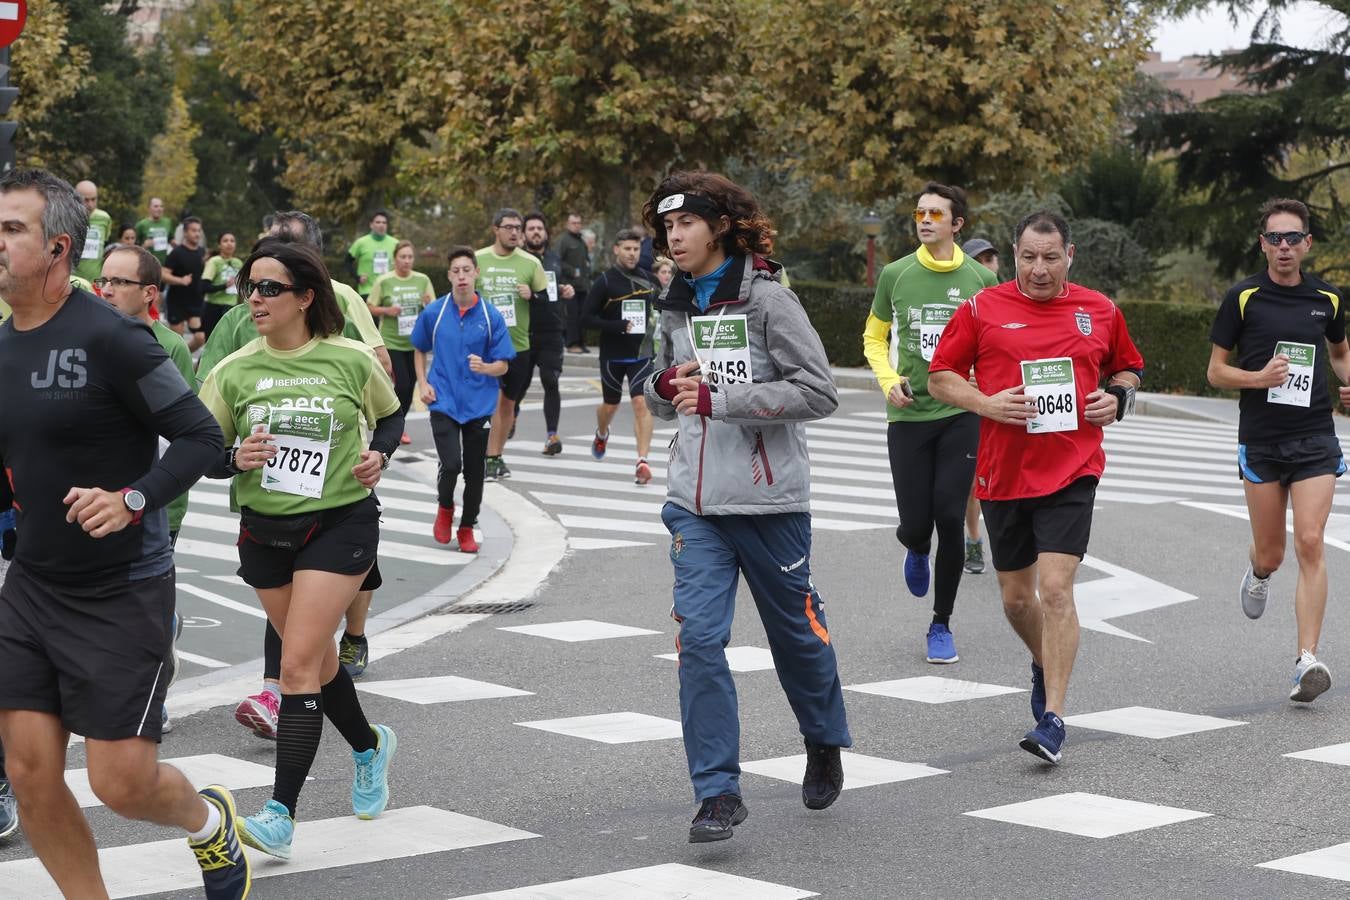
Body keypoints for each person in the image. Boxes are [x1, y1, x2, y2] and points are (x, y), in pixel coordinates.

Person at [0, 167, 246, 898]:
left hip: (122, 590)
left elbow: (204, 440)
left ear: (58, 248)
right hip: (34, 586)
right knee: (30, 771)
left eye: (12, 229)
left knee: (120, 782)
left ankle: (208, 822)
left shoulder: (115, 340)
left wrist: (133, 498)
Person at [643, 171, 851, 843]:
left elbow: (818, 391)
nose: (674, 237)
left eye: (687, 225)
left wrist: (723, 401)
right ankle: (717, 792)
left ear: (721, 227)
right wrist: (662, 383)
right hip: (695, 508)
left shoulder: (768, 302)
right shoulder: (673, 302)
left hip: (770, 505)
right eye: (667, 227)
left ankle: (822, 739)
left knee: (796, 639)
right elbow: (659, 383)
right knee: (699, 641)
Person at [198, 238, 402, 859]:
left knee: (294, 667)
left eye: (269, 288)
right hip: (265, 532)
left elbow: (390, 416)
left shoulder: (346, 359)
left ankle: (281, 814)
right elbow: (203, 452)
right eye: (249, 288)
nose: (254, 299)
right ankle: (369, 747)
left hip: (340, 525)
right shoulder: (233, 370)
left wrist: (379, 454)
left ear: (305, 297)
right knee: (315, 662)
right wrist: (234, 457)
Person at [928, 210, 1144, 765]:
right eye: (1029, 256)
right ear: (1015, 254)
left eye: (1051, 257)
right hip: (1004, 473)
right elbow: (940, 375)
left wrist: (1117, 400)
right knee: (1017, 599)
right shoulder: (982, 308)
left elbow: (1127, 369)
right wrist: (985, 402)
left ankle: (1053, 717)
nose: (1040, 268)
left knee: (1054, 590)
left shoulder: (1099, 310)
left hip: (1073, 467)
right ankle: (1044, 660)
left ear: (1069, 255)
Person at [1207, 198, 1349, 703]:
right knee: (1274, 550)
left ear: (1308, 243)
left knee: (1311, 540)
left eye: (1293, 238)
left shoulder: (1327, 299)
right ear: (1263, 243)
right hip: (1262, 440)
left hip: (1314, 436)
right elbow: (1215, 370)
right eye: (1274, 238)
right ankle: (1260, 570)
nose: (1284, 247)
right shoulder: (1243, 297)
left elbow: (1338, 352)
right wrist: (1257, 377)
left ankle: (1306, 660)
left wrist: (1349, 381)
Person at [862, 184, 998, 664]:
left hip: (961, 412)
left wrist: (987, 397)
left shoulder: (982, 279)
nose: (924, 219)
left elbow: (996, 346)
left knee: (949, 514)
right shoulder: (897, 274)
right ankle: (915, 547)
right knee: (917, 523)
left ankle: (941, 623)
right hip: (908, 413)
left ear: (957, 223)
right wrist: (886, 380)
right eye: (920, 212)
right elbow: (874, 338)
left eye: (935, 213)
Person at [97, 245, 195, 731]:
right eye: (104, 281)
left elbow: (191, 433)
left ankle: (152, 697)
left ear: (150, 293)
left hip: (156, 502)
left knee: (145, 612)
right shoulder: (89, 338)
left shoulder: (170, 347)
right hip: (99, 500)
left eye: (120, 283)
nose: (108, 290)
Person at [414, 246, 515, 553]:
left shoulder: (490, 315)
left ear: (476, 273)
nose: (461, 276)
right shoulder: (435, 312)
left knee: (474, 471)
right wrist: (422, 383)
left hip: (479, 403)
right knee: (451, 463)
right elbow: (419, 348)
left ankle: (467, 526)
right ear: (449, 276)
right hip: (442, 398)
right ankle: (445, 509)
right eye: (456, 271)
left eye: (466, 270)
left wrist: (486, 367)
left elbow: (504, 363)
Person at [477, 208, 549, 481]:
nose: (514, 232)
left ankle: (495, 456)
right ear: (496, 229)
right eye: (508, 227)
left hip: (517, 345)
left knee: (507, 405)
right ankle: (482, 454)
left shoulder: (530, 263)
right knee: (489, 404)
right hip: (483, 345)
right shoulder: (479, 259)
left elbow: (546, 303)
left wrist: (532, 296)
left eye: (518, 227)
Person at [584, 228, 659, 484]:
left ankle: (642, 461)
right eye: (627, 249)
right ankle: (602, 432)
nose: (632, 253)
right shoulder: (605, 281)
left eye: (636, 249)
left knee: (641, 403)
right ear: (616, 249)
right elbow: (586, 318)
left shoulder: (649, 279)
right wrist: (616, 326)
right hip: (613, 354)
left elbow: (662, 309)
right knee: (610, 405)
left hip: (641, 354)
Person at [959, 237, 1001, 575]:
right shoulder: (962, 304)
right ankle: (973, 537)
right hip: (971, 404)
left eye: (991, 259)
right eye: (979, 260)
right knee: (975, 479)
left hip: (1009, 404)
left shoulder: (1014, 302)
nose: (986, 266)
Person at [367, 239, 435, 445]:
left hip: (415, 343)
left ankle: (398, 424)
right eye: (402, 257)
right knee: (403, 384)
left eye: (410, 257)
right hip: (391, 342)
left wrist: (427, 304)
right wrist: (387, 311)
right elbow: (369, 306)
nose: (406, 261)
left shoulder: (422, 279)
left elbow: (432, 305)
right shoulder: (385, 280)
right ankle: (393, 423)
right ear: (395, 259)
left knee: (410, 384)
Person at [523, 212, 571, 455]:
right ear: (523, 234)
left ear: (546, 233)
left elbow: (554, 287)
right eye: (531, 228)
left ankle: (552, 435)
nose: (535, 232)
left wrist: (566, 289)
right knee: (517, 387)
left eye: (539, 228)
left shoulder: (553, 258)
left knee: (550, 381)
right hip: (524, 331)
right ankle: (508, 419)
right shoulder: (519, 259)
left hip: (552, 330)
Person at [162, 216, 208, 351]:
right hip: (177, 302)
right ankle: (177, 364)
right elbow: (163, 274)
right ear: (186, 233)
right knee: (178, 343)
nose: (197, 234)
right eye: (193, 230)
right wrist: (180, 280)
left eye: (199, 231)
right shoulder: (176, 253)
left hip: (195, 303)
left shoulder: (202, 253)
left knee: (200, 337)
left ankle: (184, 359)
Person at [557, 212, 591, 353]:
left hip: (582, 286)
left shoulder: (581, 241)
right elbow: (557, 260)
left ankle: (581, 343)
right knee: (571, 316)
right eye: (573, 223)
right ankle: (571, 344)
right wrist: (572, 271)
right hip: (569, 286)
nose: (577, 226)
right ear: (567, 224)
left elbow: (585, 261)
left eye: (578, 223)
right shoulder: (563, 240)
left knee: (582, 315)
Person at [347, 210, 399, 299]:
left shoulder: (395, 243)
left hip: (389, 289)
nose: (381, 225)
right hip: (367, 290)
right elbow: (347, 261)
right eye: (378, 222)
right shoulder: (361, 243)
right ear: (371, 225)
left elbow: (402, 264)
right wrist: (357, 277)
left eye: (384, 223)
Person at [201, 232, 244, 338]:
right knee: (212, 343)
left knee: (228, 343)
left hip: (231, 307)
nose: (229, 244)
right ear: (219, 245)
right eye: (225, 241)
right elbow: (204, 287)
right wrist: (225, 286)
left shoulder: (238, 263)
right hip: (214, 307)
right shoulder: (214, 261)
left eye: (232, 241)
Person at [73, 180, 113, 283]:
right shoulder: (67, 217)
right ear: (76, 198)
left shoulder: (105, 218)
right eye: (85, 200)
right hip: (72, 280)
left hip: (96, 280)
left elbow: (105, 242)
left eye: (93, 199)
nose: (90, 204)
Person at [136, 196, 176, 265]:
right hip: (147, 264)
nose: (159, 209)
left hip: (164, 264)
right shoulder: (142, 224)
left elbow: (170, 238)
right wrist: (144, 246)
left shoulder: (168, 222)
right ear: (149, 208)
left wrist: (175, 243)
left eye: (161, 206)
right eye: (156, 206)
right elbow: (133, 246)